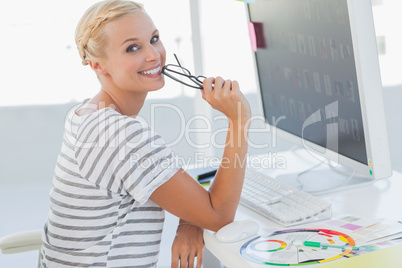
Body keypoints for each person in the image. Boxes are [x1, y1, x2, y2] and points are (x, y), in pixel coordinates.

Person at [39, 0, 251, 267]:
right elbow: (219, 215)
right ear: (97, 65)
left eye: (154, 39)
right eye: (133, 48)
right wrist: (239, 119)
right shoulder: (120, 134)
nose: (154, 55)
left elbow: (170, 184)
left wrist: (191, 218)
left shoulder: (85, 114)